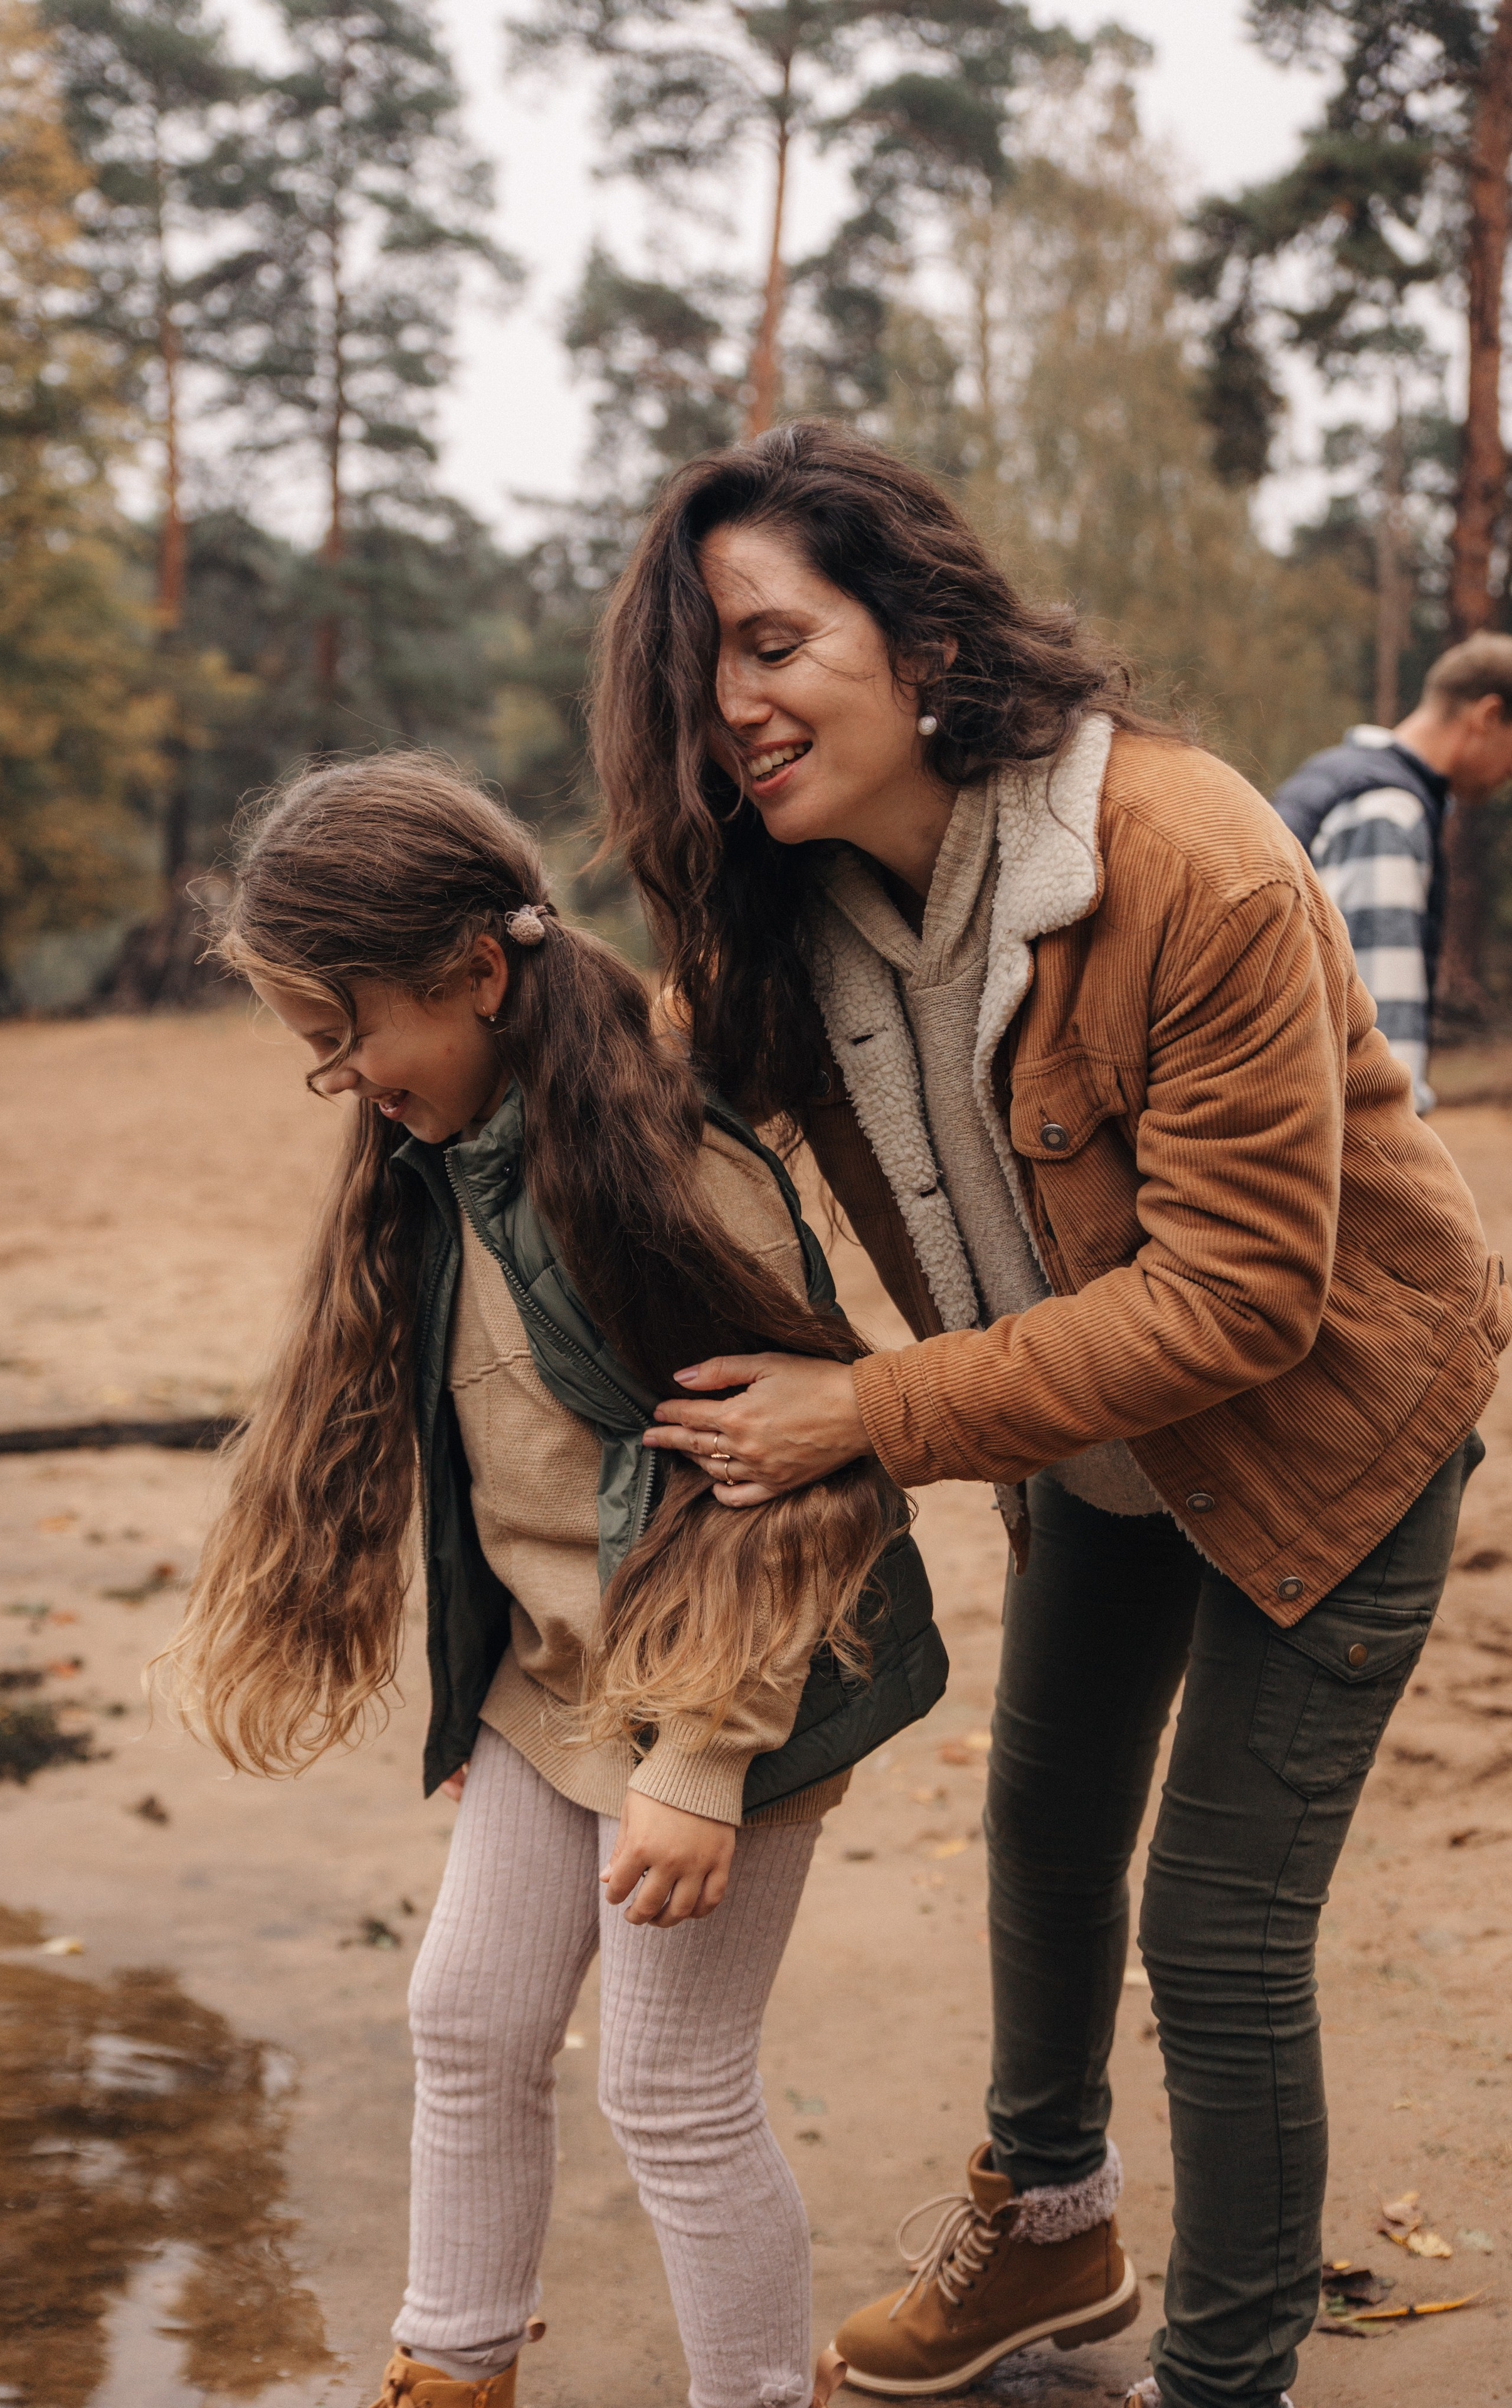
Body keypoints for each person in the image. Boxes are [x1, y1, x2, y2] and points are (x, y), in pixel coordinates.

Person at [593, 420, 1508, 2408]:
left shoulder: (1186, 856)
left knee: (1215, 1928)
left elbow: (1245, 1296)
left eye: (769, 640)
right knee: (1041, 1821)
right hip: (1090, 1439)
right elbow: (635, 1117)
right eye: (700, 674)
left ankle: (1221, 2373)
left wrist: (870, 1408)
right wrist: (454, 1006)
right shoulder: (787, 906)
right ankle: (1047, 2237)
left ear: (915, 627)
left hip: (1331, 1433)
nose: (731, 706)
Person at [157, 755, 946, 2408]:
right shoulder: (448, 1149)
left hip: (734, 1680)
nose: (349, 1081)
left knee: (669, 2090)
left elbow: (795, 1494)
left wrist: (703, 1767)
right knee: (464, 2017)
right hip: (556, 1680)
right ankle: (452, 2368)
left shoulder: (660, 1162)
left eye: (350, 1037)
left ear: (476, 973)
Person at [1272, 631, 1512, 1112]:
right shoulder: (1387, 811)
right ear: (1487, 717)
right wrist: (1404, 1131)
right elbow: (1383, 1032)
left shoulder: (1339, 774)